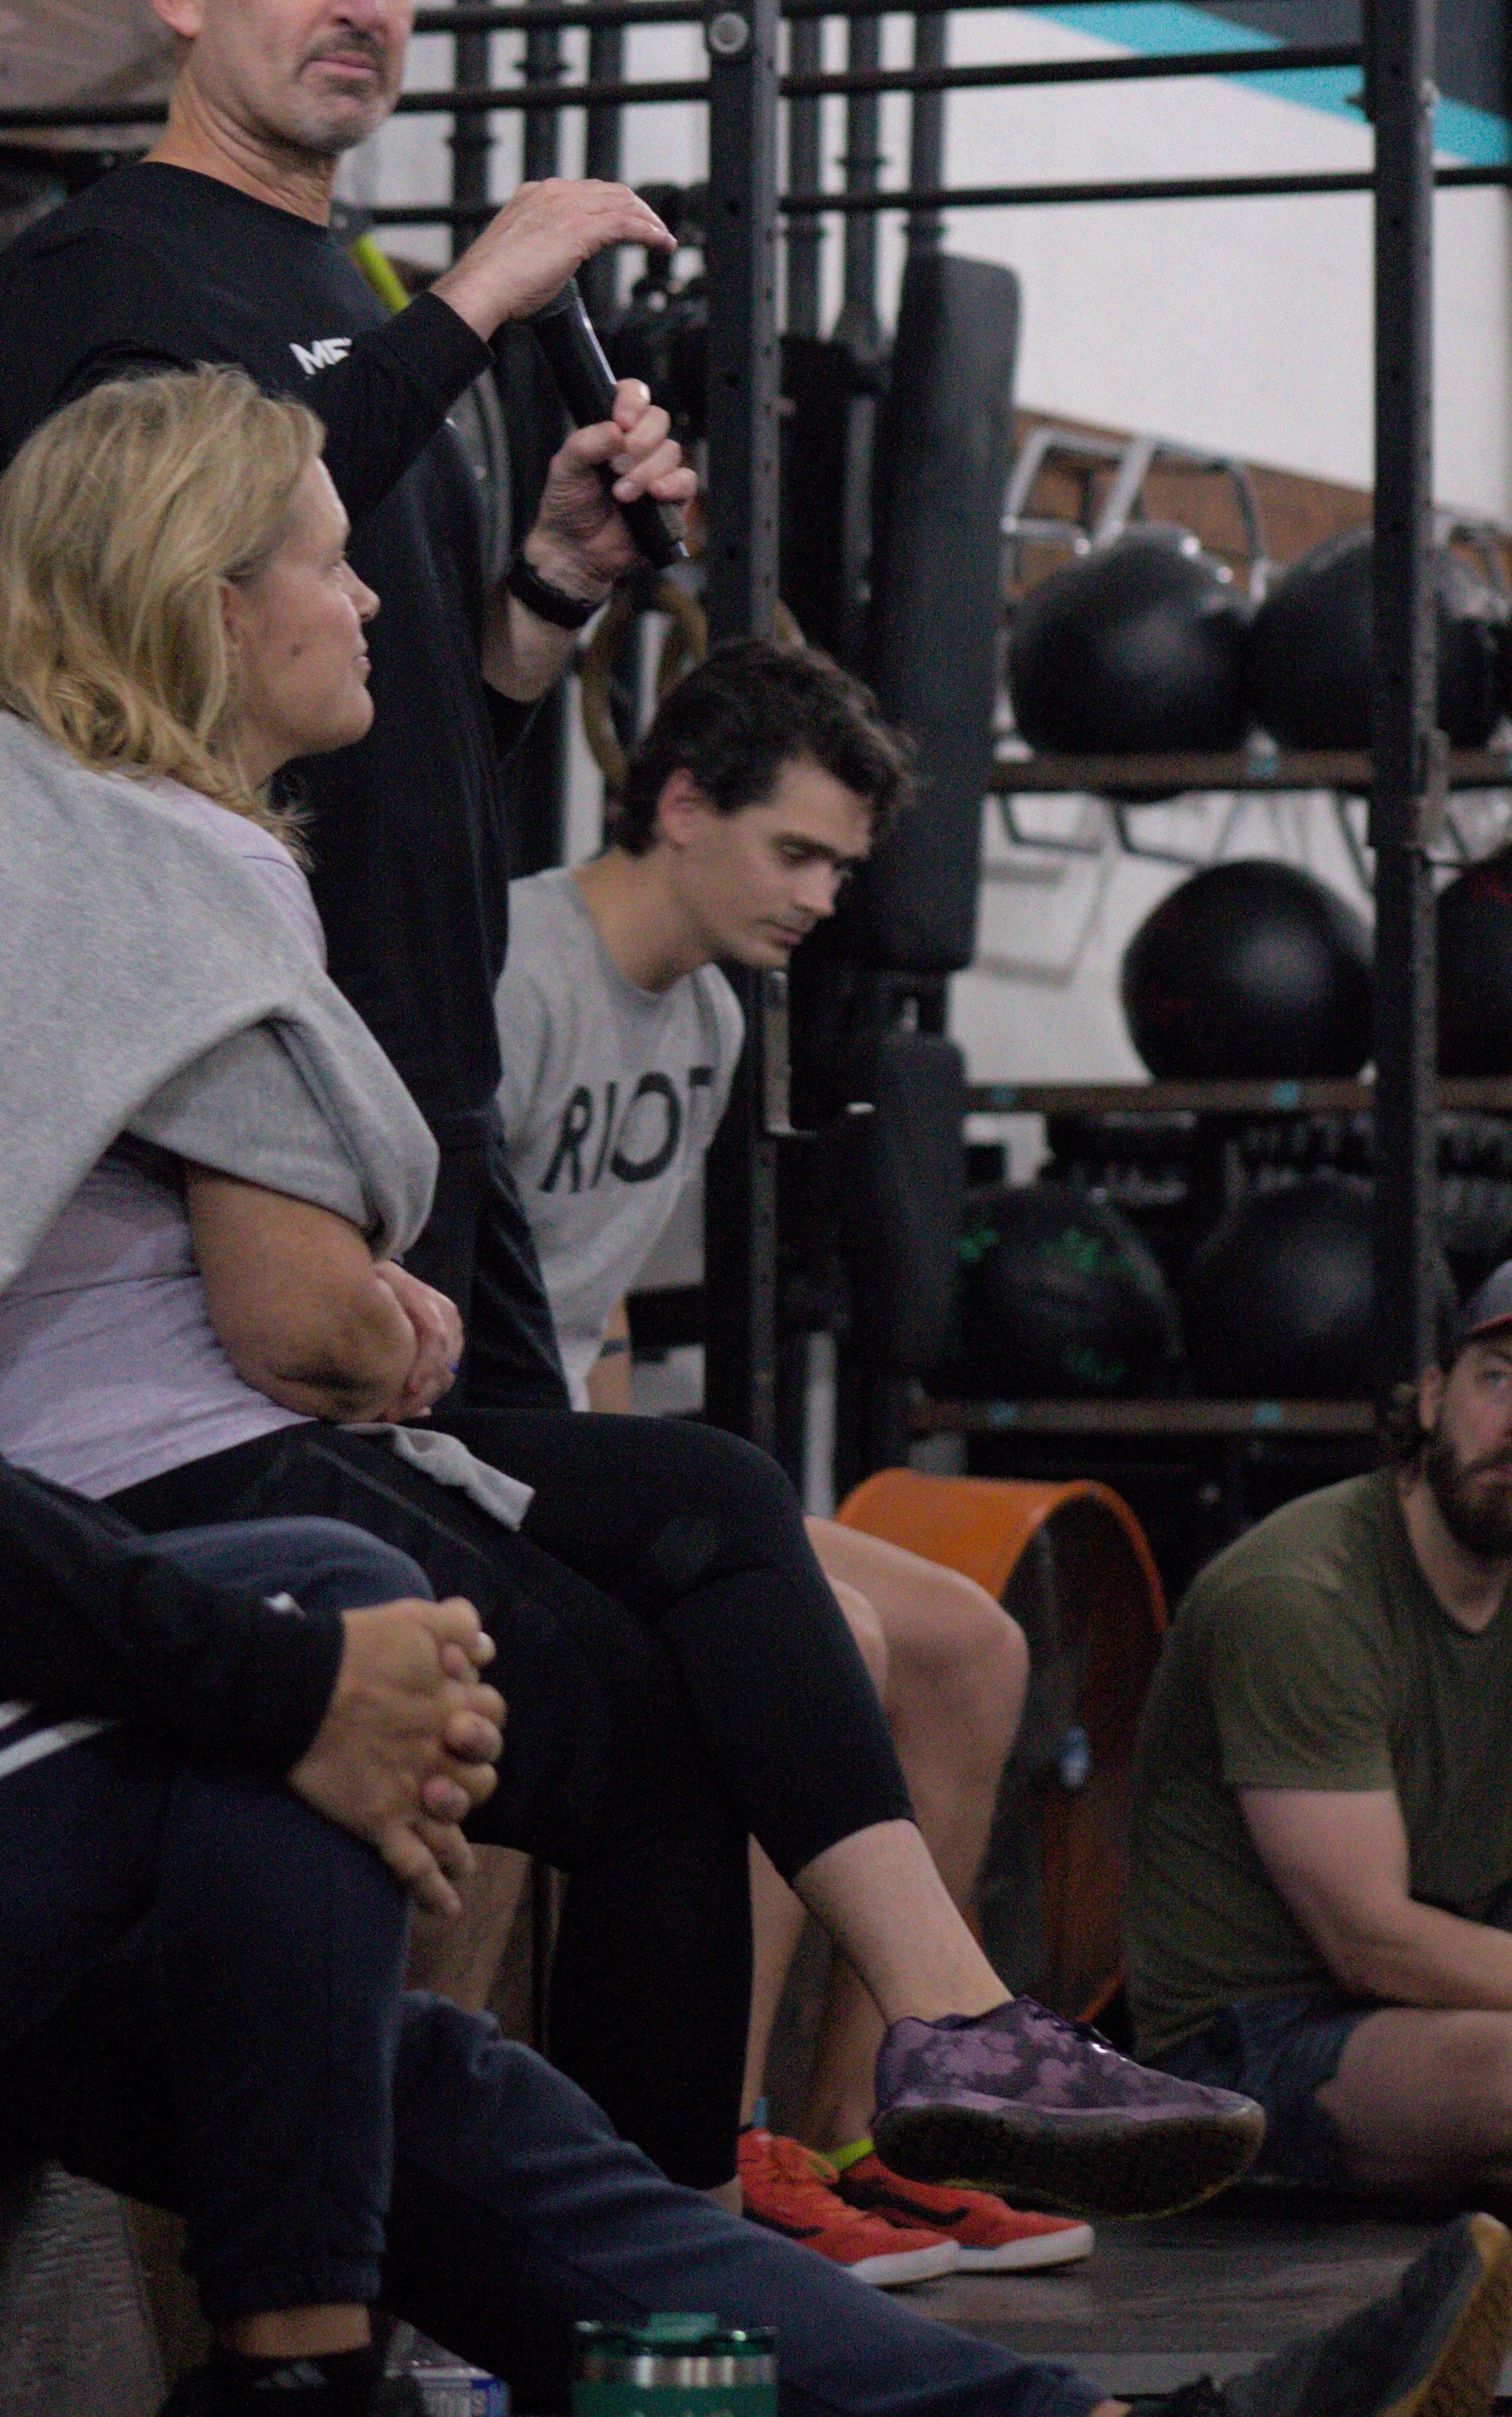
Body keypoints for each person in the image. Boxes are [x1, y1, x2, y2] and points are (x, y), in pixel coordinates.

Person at [0, 369, 1263, 2236]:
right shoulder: (162, 860)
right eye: (329, 562)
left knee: (718, 1507)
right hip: (145, 1487)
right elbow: (291, 1324)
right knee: (658, 1715)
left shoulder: (23, 827)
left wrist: (382, 1317)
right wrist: (386, 1317)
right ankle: (673, 2250)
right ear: (210, 601)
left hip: (98, 1454)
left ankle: (924, 2045)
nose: (371, 598)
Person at [0, 0, 692, 1413]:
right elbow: (193, 559)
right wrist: (480, 295)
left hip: (437, 1083)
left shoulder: (354, 298)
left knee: (586, 1605)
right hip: (241, 1115)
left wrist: (550, 592)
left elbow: (408, 723)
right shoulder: (99, 275)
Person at [493, 636, 1065, 2278]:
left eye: (838, 864)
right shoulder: (513, 968)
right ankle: (722, 2145)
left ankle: (868, 2142)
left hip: (579, 1450)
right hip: (443, 1447)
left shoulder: (708, 1020)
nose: (819, 898)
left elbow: (586, 1305)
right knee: (817, 1635)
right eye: (793, 850)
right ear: (680, 801)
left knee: (967, 1641)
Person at [1126, 1262, 1512, 2195]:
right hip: (1246, 2046)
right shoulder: (1303, 1595)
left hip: (1446, 1997)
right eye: (1499, 1377)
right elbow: (1369, 1940)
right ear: (1430, 1396)